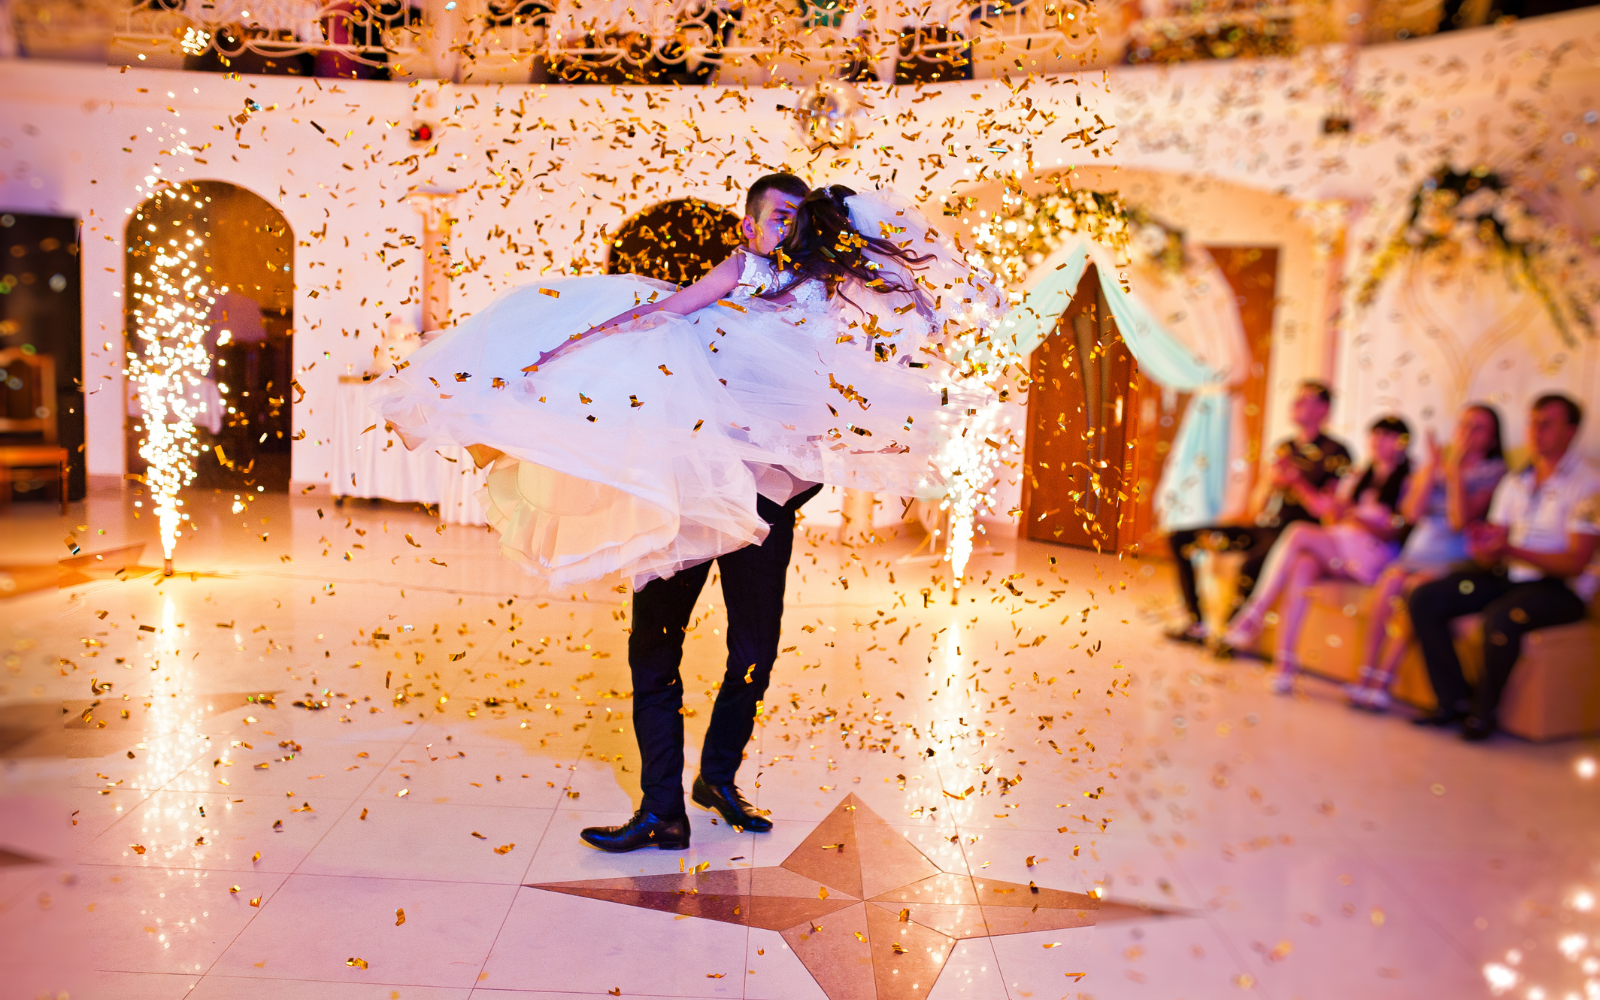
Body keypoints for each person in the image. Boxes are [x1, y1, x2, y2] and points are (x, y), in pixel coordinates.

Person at [372, 175, 1003, 849]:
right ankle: (660, 808)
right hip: (691, 500)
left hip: (767, 510)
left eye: (800, 217)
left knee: (754, 655)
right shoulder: (742, 274)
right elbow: (661, 313)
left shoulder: (830, 294)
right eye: (778, 217)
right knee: (655, 649)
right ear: (749, 227)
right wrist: (562, 348)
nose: (789, 228)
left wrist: (925, 308)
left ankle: (719, 779)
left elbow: (892, 317)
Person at [1408, 393, 1599, 741]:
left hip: (1558, 589)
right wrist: (1487, 547)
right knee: (1426, 598)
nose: (1535, 431)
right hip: (1509, 576)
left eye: (1547, 424)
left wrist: (1509, 548)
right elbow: (1492, 548)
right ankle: (1454, 700)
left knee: (1502, 618)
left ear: (1570, 432)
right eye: (1532, 422)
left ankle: (1483, 714)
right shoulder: (1516, 481)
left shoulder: (1588, 483)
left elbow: (1576, 562)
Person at [1221, 416, 1413, 694]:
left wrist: (1354, 516)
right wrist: (1329, 504)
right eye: (1375, 435)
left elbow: (1396, 530)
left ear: (1402, 443)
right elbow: (1331, 519)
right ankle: (1284, 665)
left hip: (1375, 555)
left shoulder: (1408, 480)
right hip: (1344, 546)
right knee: (1302, 564)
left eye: (1386, 436)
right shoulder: (1359, 476)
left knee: (1298, 532)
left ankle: (1254, 613)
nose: (1377, 442)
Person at [1343, 405, 1506, 711]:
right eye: (1464, 424)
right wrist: (1433, 467)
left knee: (1415, 590)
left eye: (1478, 427)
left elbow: (1460, 519)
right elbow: (1411, 514)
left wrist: (1456, 469)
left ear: (1493, 439)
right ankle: (1364, 673)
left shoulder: (1494, 472)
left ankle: (1383, 681)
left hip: (1455, 556)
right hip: (1418, 549)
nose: (1467, 432)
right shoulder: (1436, 463)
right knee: (1390, 582)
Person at [1166, 381, 1353, 643]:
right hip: (1266, 527)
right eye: (1296, 398)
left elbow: (1328, 513)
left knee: (1252, 562)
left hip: (1297, 535)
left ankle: (1229, 636)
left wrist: (1296, 482)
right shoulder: (1284, 447)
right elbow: (1256, 508)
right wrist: (1269, 482)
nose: (1295, 404)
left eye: (1305, 399)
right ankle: (1197, 623)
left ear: (1324, 409)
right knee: (1181, 538)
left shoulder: (1337, 452)